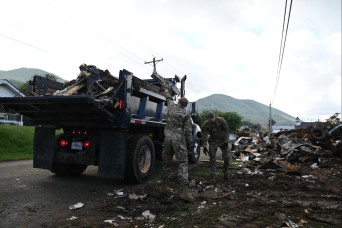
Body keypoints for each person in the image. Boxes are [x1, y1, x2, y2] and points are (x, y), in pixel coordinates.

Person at [159, 92, 194, 202]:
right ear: (185, 105)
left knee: (166, 162)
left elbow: (168, 97)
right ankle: (184, 192)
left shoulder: (171, 106)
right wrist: (190, 142)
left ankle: (164, 186)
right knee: (183, 163)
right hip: (178, 140)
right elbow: (188, 130)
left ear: (178, 102)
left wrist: (166, 91)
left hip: (167, 138)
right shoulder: (186, 113)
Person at [201, 112, 230, 183]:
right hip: (213, 141)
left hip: (222, 140)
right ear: (208, 118)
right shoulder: (206, 124)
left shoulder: (221, 120)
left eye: (213, 118)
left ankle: (225, 172)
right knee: (212, 158)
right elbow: (204, 134)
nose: (212, 120)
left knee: (227, 157)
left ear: (215, 117)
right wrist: (204, 145)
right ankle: (212, 175)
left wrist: (226, 140)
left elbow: (226, 130)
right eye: (210, 119)